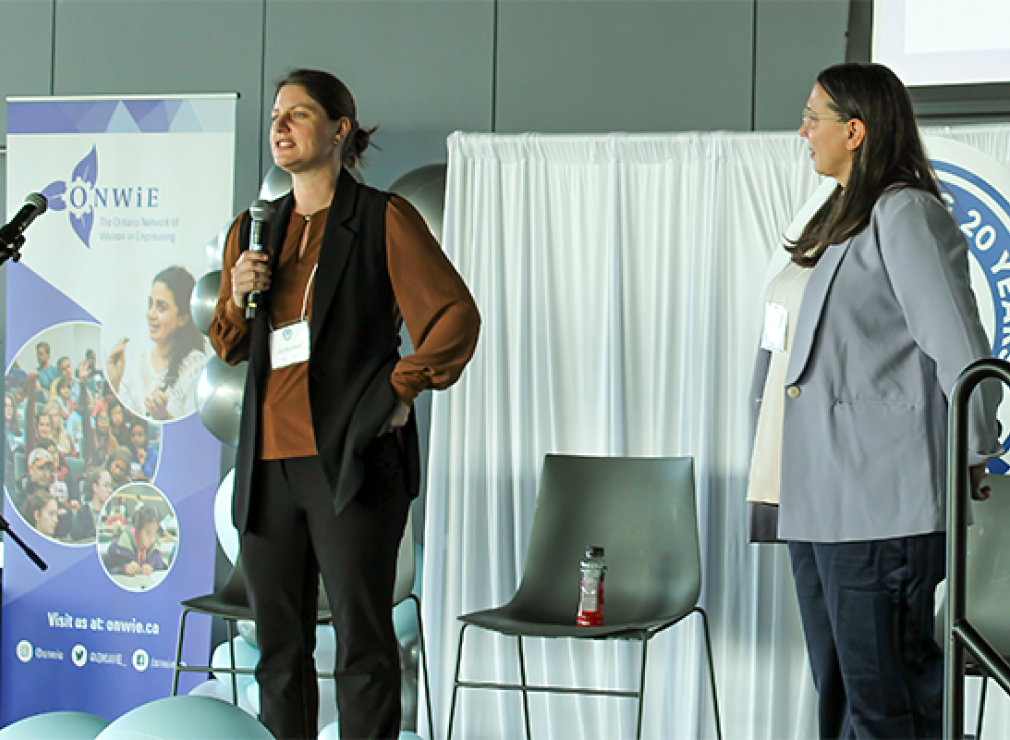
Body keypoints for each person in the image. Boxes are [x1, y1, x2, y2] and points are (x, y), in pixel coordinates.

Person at [209, 69, 480, 740]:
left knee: (362, 643)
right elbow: (229, 346)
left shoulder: (382, 218)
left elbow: (454, 317)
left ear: (340, 130)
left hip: (351, 460)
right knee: (277, 651)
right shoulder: (254, 227)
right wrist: (238, 287)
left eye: (298, 114)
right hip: (267, 465)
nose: (280, 124)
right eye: (276, 114)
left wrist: (400, 387)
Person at [747, 62, 1002, 739]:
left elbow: (961, 348)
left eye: (814, 117)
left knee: (890, 706)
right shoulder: (834, 222)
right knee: (843, 702)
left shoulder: (904, 213)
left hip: (878, 503)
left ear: (854, 130)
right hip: (814, 500)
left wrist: (973, 449)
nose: (803, 130)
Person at [105, 266, 208, 420]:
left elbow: (195, 431)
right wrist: (114, 381)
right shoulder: (136, 363)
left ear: (183, 317)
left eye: (161, 307)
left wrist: (165, 417)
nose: (151, 314)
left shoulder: (195, 367)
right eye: (150, 304)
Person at [103, 504, 167, 575]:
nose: (151, 539)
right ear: (137, 529)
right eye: (148, 533)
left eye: (154, 533)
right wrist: (124, 569)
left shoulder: (154, 551)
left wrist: (152, 567)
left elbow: (161, 566)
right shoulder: (117, 548)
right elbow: (107, 570)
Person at [70, 466, 114, 542]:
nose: (110, 491)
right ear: (95, 487)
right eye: (106, 486)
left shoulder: (112, 512)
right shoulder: (83, 514)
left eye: (110, 486)